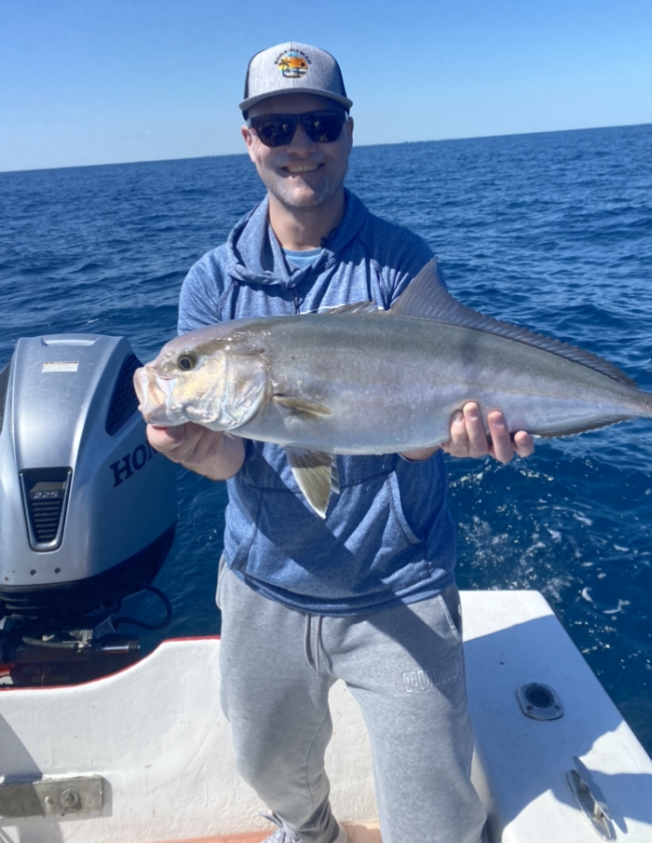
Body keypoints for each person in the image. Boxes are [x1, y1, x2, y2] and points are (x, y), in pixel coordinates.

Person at [146, 43, 534, 843]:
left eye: (318, 122)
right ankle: (310, 831)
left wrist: (443, 436)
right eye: (276, 125)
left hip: (399, 583)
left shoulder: (398, 262)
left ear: (347, 133)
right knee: (267, 771)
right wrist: (192, 447)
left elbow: (415, 435)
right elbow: (233, 455)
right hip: (264, 586)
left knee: (433, 821)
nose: (300, 144)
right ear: (248, 139)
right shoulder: (213, 284)